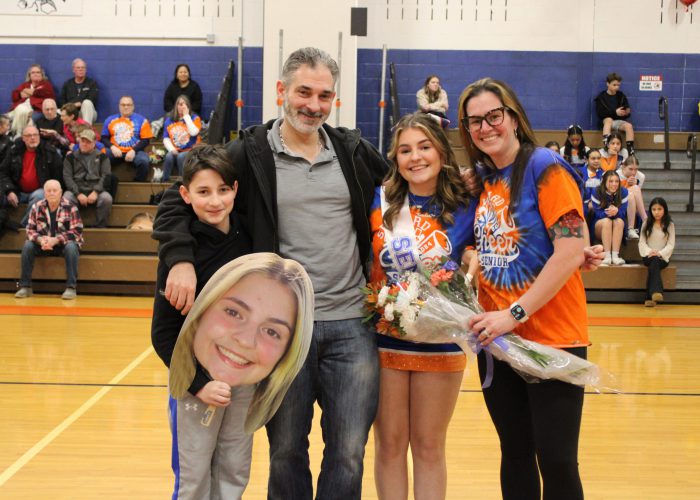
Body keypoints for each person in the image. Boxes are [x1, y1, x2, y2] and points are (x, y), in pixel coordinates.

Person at [152, 47, 389, 499]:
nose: (313, 105)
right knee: (284, 449)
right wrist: (179, 257)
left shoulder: (352, 151)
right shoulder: (250, 153)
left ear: (334, 100)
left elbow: (406, 185)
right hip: (284, 329)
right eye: (304, 91)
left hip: (350, 325)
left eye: (324, 95)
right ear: (282, 91)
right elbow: (181, 196)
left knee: (349, 451)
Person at [458, 77, 590, 500]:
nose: (485, 127)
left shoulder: (545, 166)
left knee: (556, 460)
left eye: (493, 116)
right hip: (496, 342)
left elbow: (571, 249)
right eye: (475, 121)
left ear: (513, 117)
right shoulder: (483, 181)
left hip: (552, 338)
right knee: (514, 453)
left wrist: (512, 314)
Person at [369, 112, 477, 500]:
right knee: (390, 445)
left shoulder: (468, 201)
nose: (415, 157)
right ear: (395, 158)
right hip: (386, 337)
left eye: (425, 147)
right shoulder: (379, 201)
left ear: (442, 151)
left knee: (429, 445)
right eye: (405, 150)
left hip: (442, 339)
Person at [165, 252, 315, 499]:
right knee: (195, 475)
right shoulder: (182, 251)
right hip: (196, 384)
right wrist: (198, 384)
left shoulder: (251, 237)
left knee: (234, 467)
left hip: (244, 389)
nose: (245, 340)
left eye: (272, 331)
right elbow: (164, 331)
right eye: (233, 312)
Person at [15, 179, 83, 300]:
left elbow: (77, 232)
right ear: (44, 193)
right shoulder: (37, 207)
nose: (52, 193)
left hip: (63, 245)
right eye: (49, 191)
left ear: (61, 192)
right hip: (43, 244)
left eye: (54, 190)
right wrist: (41, 240)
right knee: (27, 245)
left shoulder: (71, 207)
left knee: (72, 247)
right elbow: (29, 230)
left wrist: (56, 240)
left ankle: (71, 287)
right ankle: (25, 286)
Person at [0, 125, 63, 225]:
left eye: (35, 135)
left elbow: (57, 177)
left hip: (40, 191)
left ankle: (23, 227)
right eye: (29, 135)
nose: (32, 138)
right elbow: (3, 173)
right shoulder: (14, 151)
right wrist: (9, 190)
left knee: (39, 195)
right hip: (17, 191)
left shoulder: (50, 152)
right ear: (23, 138)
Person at [63, 128, 112, 228]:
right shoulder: (70, 157)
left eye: (88, 142)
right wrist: (78, 193)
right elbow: (67, 177)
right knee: (67, 197)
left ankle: (101, 227)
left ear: (94, 143)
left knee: (106, 198)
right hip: (76, 189)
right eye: (82, 141)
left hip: (96, 189)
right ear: (79, 141)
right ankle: (72, 227)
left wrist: (96, 192)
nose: (84, 144)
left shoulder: (103, 157)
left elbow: (106, 176)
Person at [101, 96, 153, 182]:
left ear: (133, 106)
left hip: (135, 152)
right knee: (101, 157)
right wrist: (112, 147)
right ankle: (106, 181)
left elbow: (146, 140)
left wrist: (133, 150)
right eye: (123, 105)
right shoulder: (110, 120)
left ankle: (138, 184)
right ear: (119, 106)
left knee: (144, 161)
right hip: (115, 151)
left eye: (129, 105)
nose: (126, 107)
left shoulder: (142, 120)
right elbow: (104, 138)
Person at [639, 197, 675, 307]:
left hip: (662, 257)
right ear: (650, 210)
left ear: (664, 210)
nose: (656, 212)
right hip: (647, 255)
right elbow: (642, 242)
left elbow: (671, 244)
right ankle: (656, 292)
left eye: (659, 209)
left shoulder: (670, 225)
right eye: (654, 209)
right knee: (653, 261)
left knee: (654, 262)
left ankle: (649, 298)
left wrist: (659, 253)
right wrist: (650, 251)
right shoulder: (646, 223)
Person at [591, 170, 628, 266]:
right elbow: (597, 213)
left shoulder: (623, 191)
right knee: (607, 221)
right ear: (604, 182)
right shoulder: (597, 191)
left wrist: (616, 212)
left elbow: (623, 213)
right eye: (611, 181)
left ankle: (615, 256)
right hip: (600, 225)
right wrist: (608, 212)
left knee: (619, 221)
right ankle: (607, 256)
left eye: (616, 181)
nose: (614, 184)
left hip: (616, 224)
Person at [8, 64, 56, 138]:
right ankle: (13, 133)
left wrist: (29, 91)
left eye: (38, 72)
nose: (35, 74)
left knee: (22, 111)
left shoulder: (46, 84)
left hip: (37, 109)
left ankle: (19, 134)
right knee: (6, 118)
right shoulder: (25, 85)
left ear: (42, 75)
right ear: (29, 75)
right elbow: (14, 96)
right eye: (33, 72)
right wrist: (20, 95)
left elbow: (41, 92)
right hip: (21, 107)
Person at [161, 95, 202, 181]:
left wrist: (186, 116)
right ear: (176, 106)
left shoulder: (195, 118)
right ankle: (164, 181)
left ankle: (183, 181)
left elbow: (194, 132)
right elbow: (166, 138)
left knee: (181, 157)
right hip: (176, 149)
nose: (182, 106)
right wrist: (171, 149)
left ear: (188, 106)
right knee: (168, 156)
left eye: (184, 104)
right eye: (180, 104)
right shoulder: (169, 120)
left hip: (190, 149)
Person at [595, 72, 635, 155]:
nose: (617, 87)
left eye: (618, 85)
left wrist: (626, 113)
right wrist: (615, 112)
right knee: (608, 120)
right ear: (608, 84)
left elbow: (626, 110)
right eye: (614, 85)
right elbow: (600, 113)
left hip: (618, 121)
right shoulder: (601, 97)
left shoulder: (621, 95)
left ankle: (630, 151)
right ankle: (607, 145)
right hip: (605, 121)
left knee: (629, 126)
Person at [59, 58, 99, 124]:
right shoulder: (67, 84)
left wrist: (75, 105)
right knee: (56, 111)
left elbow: (92, 100)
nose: (81, 69)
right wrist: (70, 108)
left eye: (83, 68)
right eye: (78, 68)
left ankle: (86, 131)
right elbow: (62, 101)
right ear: (73, 70)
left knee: (87, 103)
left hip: (87, 113)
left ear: (86, 70)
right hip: (71, 113)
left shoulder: (92, 83)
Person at [616, 155, 647, 239]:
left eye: (636, 169)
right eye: (630, 169)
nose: (633, 172)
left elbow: (637, 196)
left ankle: (641, 223)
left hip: (632, 202)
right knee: (630, 193)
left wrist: (634, 184)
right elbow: (614, 194)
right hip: (617, 201)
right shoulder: (616, 174)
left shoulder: (640, 176)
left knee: (634, 190)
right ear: (623, 167)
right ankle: (644, 221)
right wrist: (626, 184)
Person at [580, 149, 603, 217]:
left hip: (597, 205)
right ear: (586, 160)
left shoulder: (603, 174)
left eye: (598, 158)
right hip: (581, 205)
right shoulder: (579, 172)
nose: (596, 161)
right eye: (593, 158)